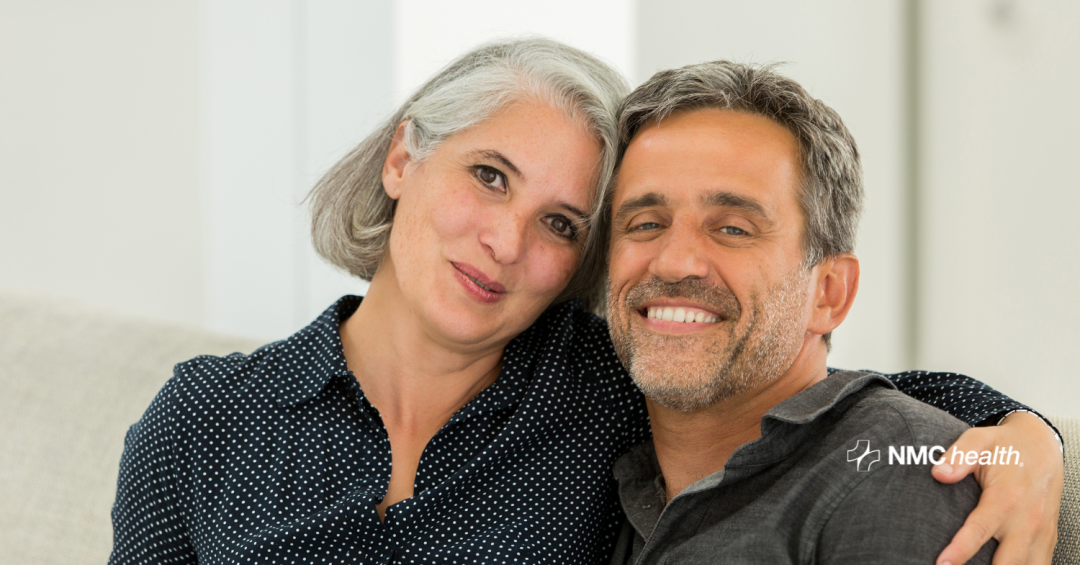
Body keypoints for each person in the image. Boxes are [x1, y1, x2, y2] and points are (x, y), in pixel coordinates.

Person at [109, 39, 1062, 564]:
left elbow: (814, 399)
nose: (507, 240)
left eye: (563, 224)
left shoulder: (602, 384)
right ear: (403, 156)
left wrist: (1028, 433)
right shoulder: (204, 419)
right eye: (487, 176)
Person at [604, 60, 1064, 564]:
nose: (674, 262)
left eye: (733, 228)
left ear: (829, 293)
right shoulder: (596, 458)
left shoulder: (898, 474)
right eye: (645, 223)